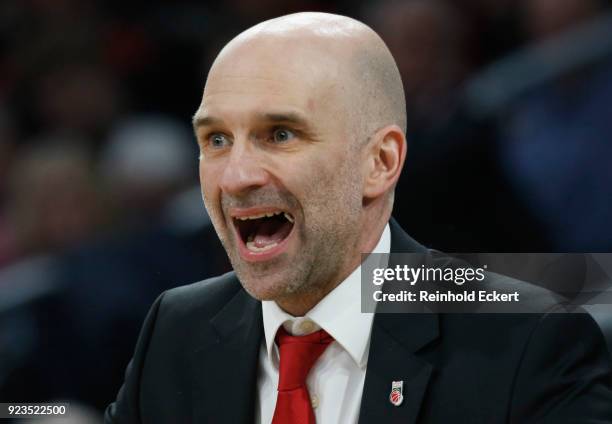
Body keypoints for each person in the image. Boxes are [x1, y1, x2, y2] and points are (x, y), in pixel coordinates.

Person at [105, 12, 612, 423]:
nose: (235, 177)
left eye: (280, 134)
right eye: (216, 139)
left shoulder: (529, 338)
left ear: (380, 163)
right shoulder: (176, 328)